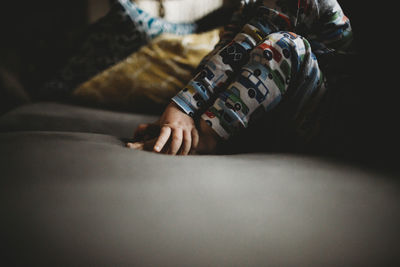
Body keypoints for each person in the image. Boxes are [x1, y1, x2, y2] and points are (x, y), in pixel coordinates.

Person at [127, 0, 354, 155]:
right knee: (233, 52)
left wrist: (182, 106)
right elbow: (225, 52)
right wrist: (179, 120)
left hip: (318, 121)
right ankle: (193, 131)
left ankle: (205, 138)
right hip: (271, 113)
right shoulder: (247, 3)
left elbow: (249, 41)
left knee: (285, 45)